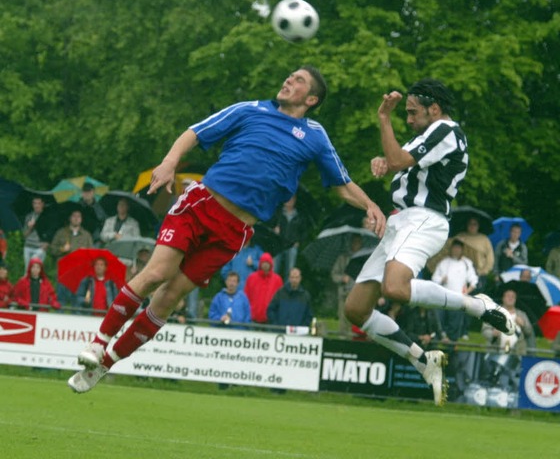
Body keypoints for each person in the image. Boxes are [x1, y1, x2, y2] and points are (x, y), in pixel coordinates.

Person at [68, 66, 385, 393]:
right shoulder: (250, 109)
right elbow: (195, 131)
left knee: (169, 297)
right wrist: (169, 162)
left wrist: (371, 206)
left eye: (299, 80)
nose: (289, 79)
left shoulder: (315, 135)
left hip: (234, 231)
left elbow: (342, 184)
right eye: (290, 76)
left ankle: (103, 366)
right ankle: (98, 342)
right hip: (200, 206)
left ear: (312, 98)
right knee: (157, 272)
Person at [343, 78, 515, 407]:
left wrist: (384, 120)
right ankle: (424, 360)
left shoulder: (447, 131)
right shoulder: (429, 136)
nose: (407, 119)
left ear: (434, 109)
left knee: (395, 288)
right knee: (356, 309)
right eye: (404, 114)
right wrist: (385, 160)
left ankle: (477, 305)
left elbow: (400, 161)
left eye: (412, 112)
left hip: (424, 219)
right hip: (402, 221)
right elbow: (400, 163)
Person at [431, 239, 478, 344]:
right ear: (451, 249)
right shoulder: (444, 262)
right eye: (454, 248)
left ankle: (452, 344)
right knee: (440, 321)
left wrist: (466, 292)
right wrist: (441, 280)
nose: (456, 250)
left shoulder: (467, 263)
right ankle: (439, 341)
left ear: (462, 250)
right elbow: (434, 279)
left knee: (454, 324)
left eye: (458, 248)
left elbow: (474, 281)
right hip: (443, 297)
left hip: (458, 298)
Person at [481, 288, 533, 355]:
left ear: (515, 299)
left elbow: (529, 332)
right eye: (508, 296)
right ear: (503, 298)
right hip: (495, 352)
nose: (510, 298)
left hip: (518, 353)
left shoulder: (522, 314)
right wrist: (492, 333)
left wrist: (523, 325)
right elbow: (484, 330)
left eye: (513, 297)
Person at [331, 234, 364, 337]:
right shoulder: (342, 258)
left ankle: (354, 340)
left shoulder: (364, 259)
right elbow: (334, 274)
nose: (356, 245)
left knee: (356, 318)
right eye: (354, 242)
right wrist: (342, 278)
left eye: (358, 243)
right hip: (344, 292)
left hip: (358, 293)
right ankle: (342, 339)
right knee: (342, 317)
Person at [272, 194, 310, 277]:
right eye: (288, 198)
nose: (290, 201)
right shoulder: (278, 213)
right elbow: (269, 225)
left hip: (292, 245)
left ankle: (287, 289)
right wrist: (274, 230)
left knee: (289, 271)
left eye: (292, 198)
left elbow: (304, 232)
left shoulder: (299, 216)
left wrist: (299, 241)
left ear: (295, 200)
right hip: (278, 244)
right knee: (274, 269)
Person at [455, 216, 494, 293]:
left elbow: (490, 259)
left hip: (479, 275)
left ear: (478, 226)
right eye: (470, 224)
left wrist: (484, 271)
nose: (472, 226)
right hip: (460, 274)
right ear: (466, 225)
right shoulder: (460, 237)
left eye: (474, 224)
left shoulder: (484, 239)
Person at [244, 252, 283, 324]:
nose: (265, 265)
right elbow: (246, 298)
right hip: (253, 319)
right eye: (263, 262)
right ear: (260, 264)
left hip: (270, 321)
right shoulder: (251, 278)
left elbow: (280, 300)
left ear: (271, 264)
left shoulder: (277, 280)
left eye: (267, 262)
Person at [22, 196, 48, 271]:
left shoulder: (46, 217)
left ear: (42, 204)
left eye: (38, 203)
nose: (36, 205)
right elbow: (24, 235)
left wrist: (45, 246)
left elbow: (49, 233)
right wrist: (30, 228)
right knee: (27, 270)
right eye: (34, 203)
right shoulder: (29, 216)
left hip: (39, 248)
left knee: (36, 271)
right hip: (28, 246)